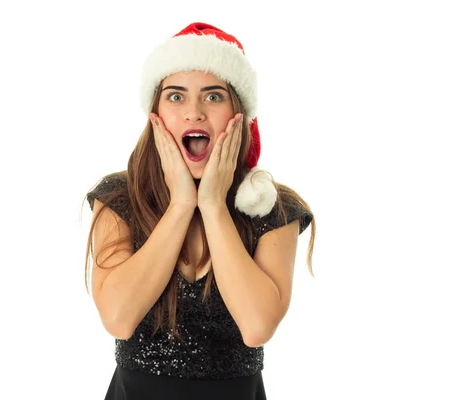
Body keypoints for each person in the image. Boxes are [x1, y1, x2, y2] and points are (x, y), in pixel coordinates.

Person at [83, 22, 316, 400]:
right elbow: (119, 319)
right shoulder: (118, 198)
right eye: (176, 97)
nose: (194, 113)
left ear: (238, 113)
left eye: (213, 96)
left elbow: (256, 326)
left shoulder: (273, 209)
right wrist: (180, 205)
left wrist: (211, 205)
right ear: (155, 114)